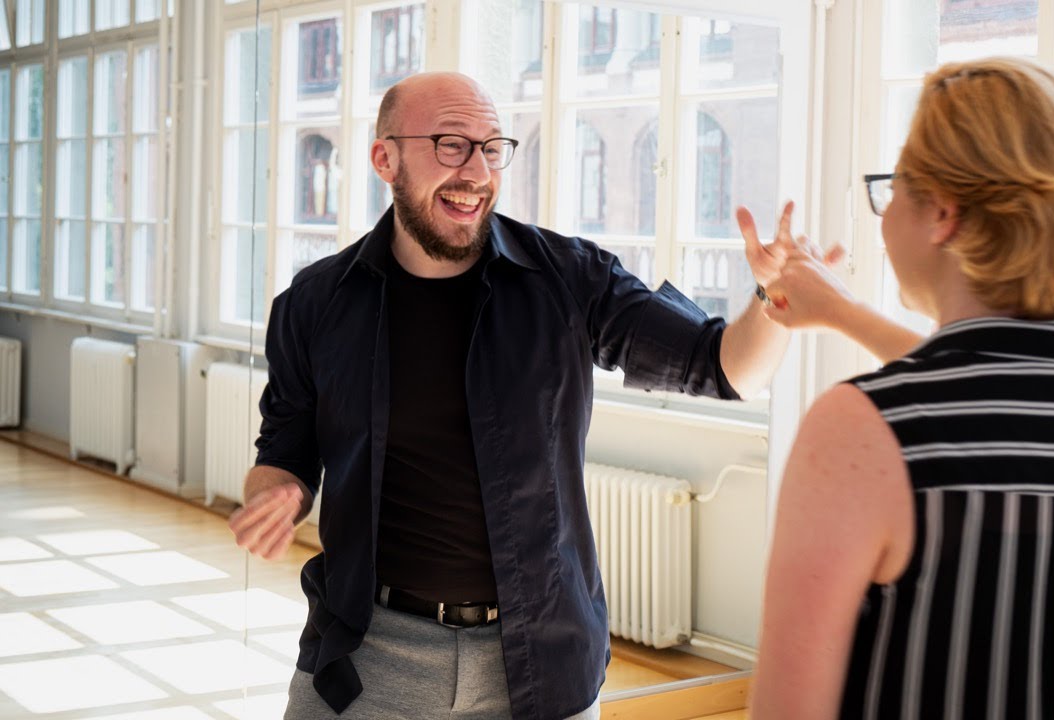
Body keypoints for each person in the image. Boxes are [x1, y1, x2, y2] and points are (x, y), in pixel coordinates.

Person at [226, 71, 837, 720]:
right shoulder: (316, 303)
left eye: (492, 148)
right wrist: (277, 495)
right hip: (364, 656)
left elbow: (726, 368)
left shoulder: (568, 279)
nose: (477, 170)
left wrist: (772, 301)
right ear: (386, 158)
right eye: (451, 143)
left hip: (537, 664)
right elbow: (284, 446)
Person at [750, 57, 1054, 718]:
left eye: (895, 183)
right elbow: (992, 397)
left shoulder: (859, 427)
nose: (884, 207)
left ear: (944, 214)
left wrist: (839, 312)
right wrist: (841, 310)